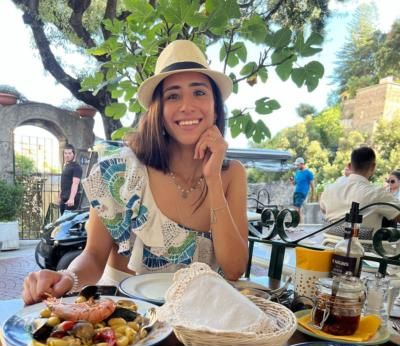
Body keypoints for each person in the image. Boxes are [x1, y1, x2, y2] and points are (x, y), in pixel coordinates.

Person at [23, 40, 249, 304]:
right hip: (125, 317)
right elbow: (94, 255)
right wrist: (67, 278)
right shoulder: (119, 171)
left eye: (199, 92)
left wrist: (212, 180)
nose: (187, 106)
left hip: (200, 321)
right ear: (158, 110)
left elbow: (234, 269)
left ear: (215, 105)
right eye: (173, 95)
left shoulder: (232, 173)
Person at [320, 146, 400, 239]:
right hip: (365, 251)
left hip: (329, 248)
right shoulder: (377, 194)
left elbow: (323, 209)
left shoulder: (329, 190)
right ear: (373, 167)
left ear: (350, 166)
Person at [59, 144, 83, 215]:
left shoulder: (76, 167)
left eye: (69, 153)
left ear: (74, 154)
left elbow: (75, 183)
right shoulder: (66, 166)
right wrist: (60, 196)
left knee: (69, 224)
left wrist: (71, 198)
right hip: (64, 199)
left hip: (71, 202)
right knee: (62, 223)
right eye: (65, 153)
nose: (67, 155)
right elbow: (64, 183)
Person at [291, 157, 315, 222]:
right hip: (296, 192)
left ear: (302, 164)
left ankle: (298, 225)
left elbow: (312, 185)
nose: (297, 166)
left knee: (297, 209)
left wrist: (313, 195)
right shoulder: (297, 173)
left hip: (302, 193)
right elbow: (295, 183)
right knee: (297, 210)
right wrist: (292, 181)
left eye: (298, 165)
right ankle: (299, 225)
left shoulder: (309, 173)